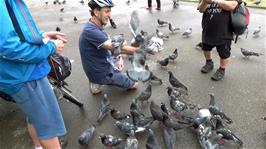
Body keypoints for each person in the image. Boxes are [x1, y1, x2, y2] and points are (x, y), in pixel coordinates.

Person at [0, 0, 67, 149]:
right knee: (48, 127)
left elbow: (16, 30)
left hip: (20, 73)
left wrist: (39, 35)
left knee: (35, 117)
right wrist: (50, 47)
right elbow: (8, 47)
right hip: (25, 75)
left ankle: (38, 147)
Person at [79, 0, 139, 95]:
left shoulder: (93, 25)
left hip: (100, 62)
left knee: (122, 42)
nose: (110, 16)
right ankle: (97, 81)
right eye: (107, 11)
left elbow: (114, 45)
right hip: (102, 72)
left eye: (110, 12)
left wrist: (119, 58)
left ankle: (101, 78)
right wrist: (140, 51)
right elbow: (118, 48)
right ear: (96, 12)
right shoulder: (90, 31)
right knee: (135, 84)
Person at [198, 0, 238, 81]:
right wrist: (204, 2)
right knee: (206, 47)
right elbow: (201, 10)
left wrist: (214, 0)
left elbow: (232, 6)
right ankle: (209, 62)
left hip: (224, 31)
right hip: (207, 29)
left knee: (224, 52)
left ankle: (222, 69)